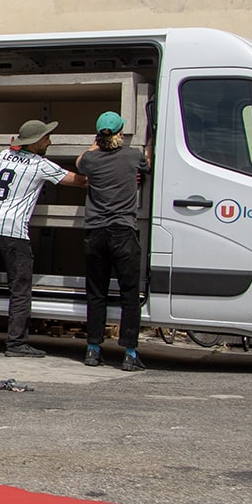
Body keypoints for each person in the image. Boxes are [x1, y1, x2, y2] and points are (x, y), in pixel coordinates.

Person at [0, 118, 84, 357]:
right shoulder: (40, 165)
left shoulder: (2, 156)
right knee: (20, 289)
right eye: (46, 138)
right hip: (14, 232)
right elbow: (77, 181)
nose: (49, 141)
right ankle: (16, 344)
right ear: (34, 143)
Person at [78, 110, 153, 372]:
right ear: (121, 132)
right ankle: (130, 353)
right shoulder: (133, 156)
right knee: (129, 294)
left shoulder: (91, 159)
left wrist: (94, 144)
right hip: (122, 232)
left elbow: (79, 162)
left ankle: (93, 350)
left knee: (96, 293)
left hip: (96, 234)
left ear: (98, 136)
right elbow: (148, 164)